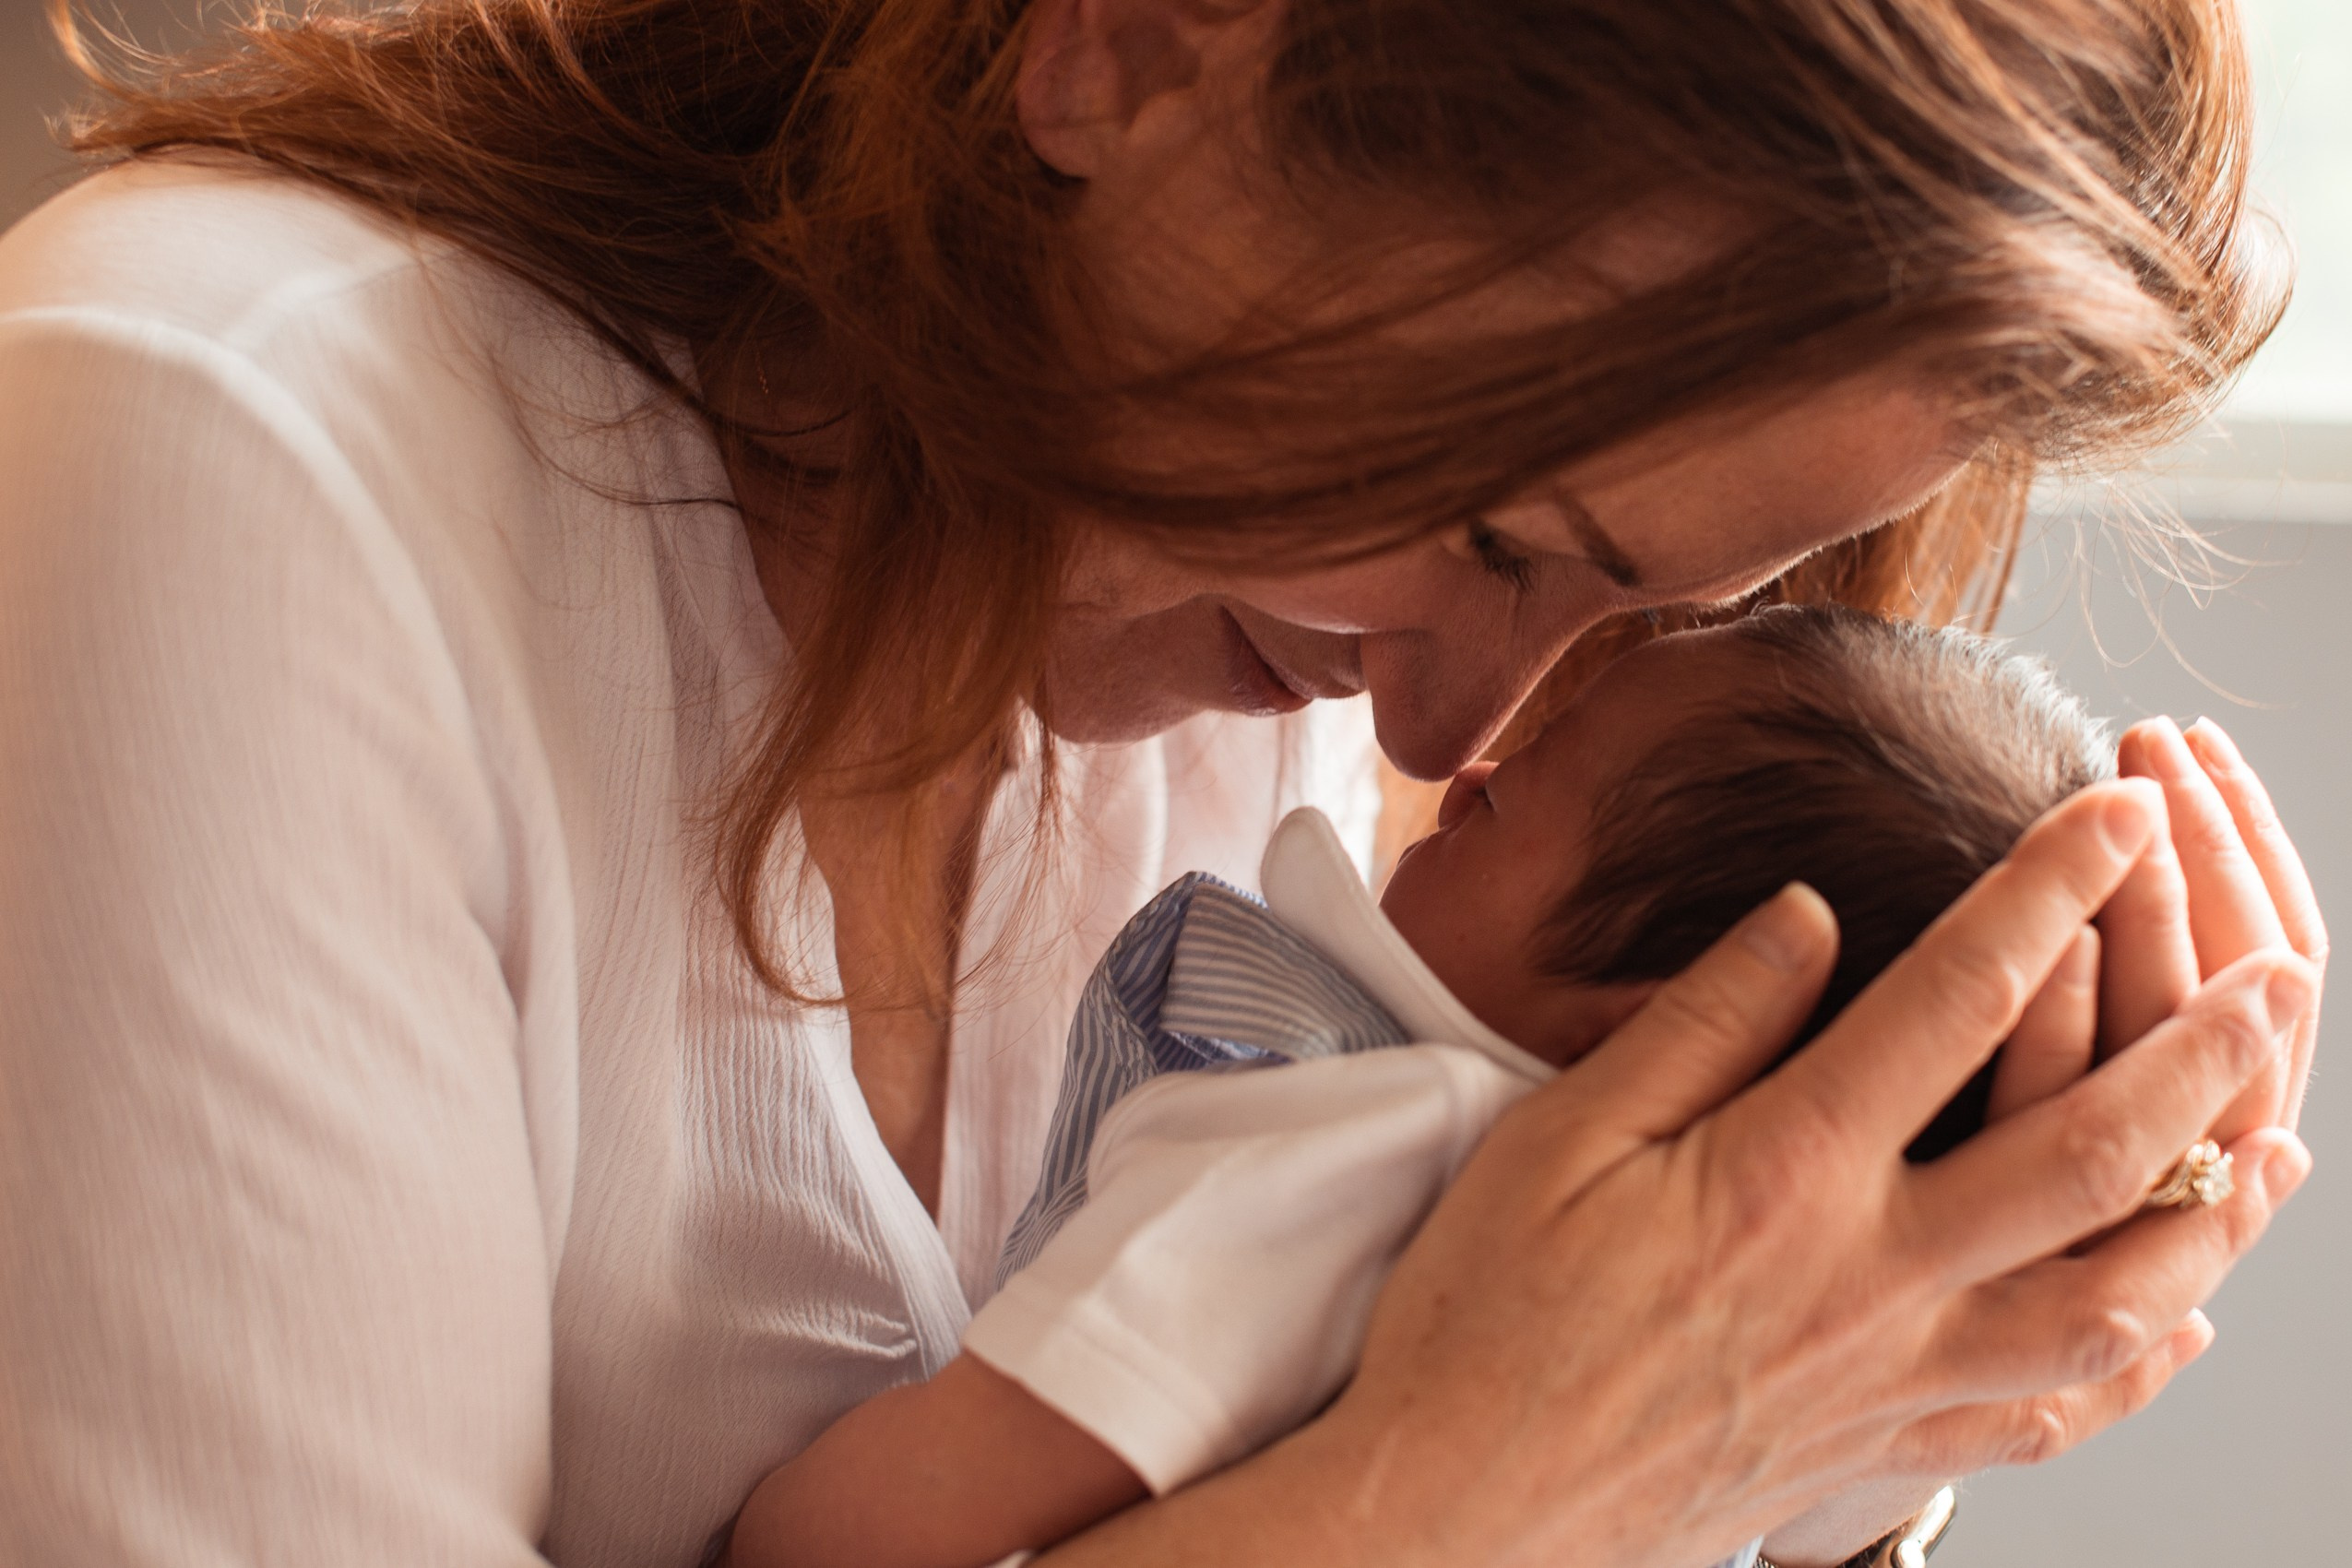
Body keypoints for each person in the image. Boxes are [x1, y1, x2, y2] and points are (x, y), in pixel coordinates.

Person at [0, 1, 2324, 1566]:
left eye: (1636, 612)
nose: (1435, 744)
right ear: (1131, 40)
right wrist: (1475, 1494)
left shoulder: (1233, 649)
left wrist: (1890, 1367)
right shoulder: (229, 465)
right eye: (1492, 532)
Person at [726, 607, 2130, 1568]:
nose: (1462, 772)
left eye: (1514, 798)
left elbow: (869, 1530)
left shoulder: (1336, 1148)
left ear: (1654, 1040)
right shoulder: (1745, 1359)